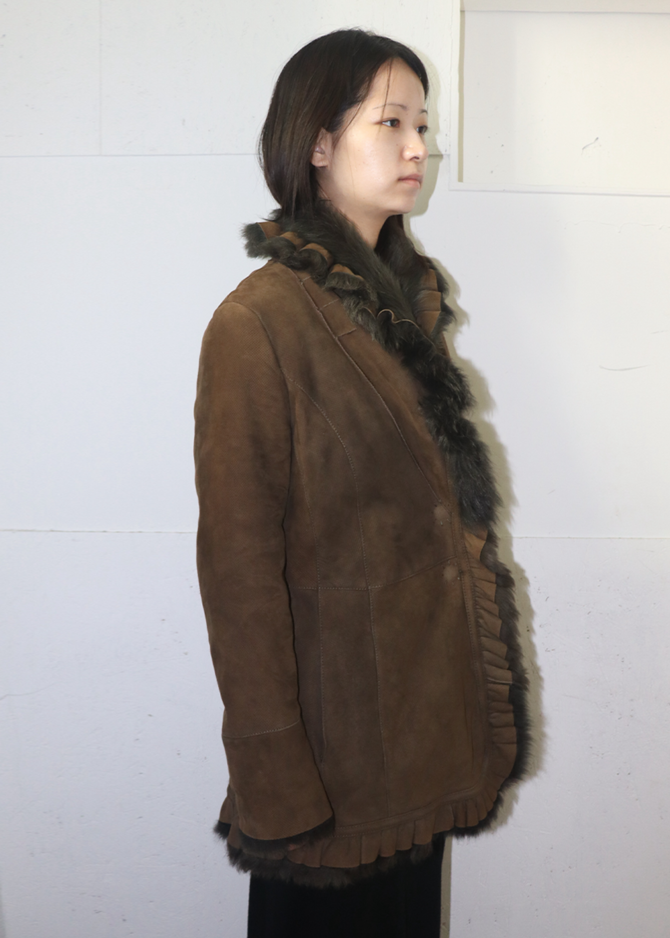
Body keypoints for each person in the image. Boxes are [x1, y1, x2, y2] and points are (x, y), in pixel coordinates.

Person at [194, 28, 529, 938]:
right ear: (318, 142)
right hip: (330, 764)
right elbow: (237, 572)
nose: (419, 147)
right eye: (392, 122)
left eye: (423, 125)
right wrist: (274, 775)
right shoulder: (260, 323)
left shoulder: (407, 304)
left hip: (420, 741)